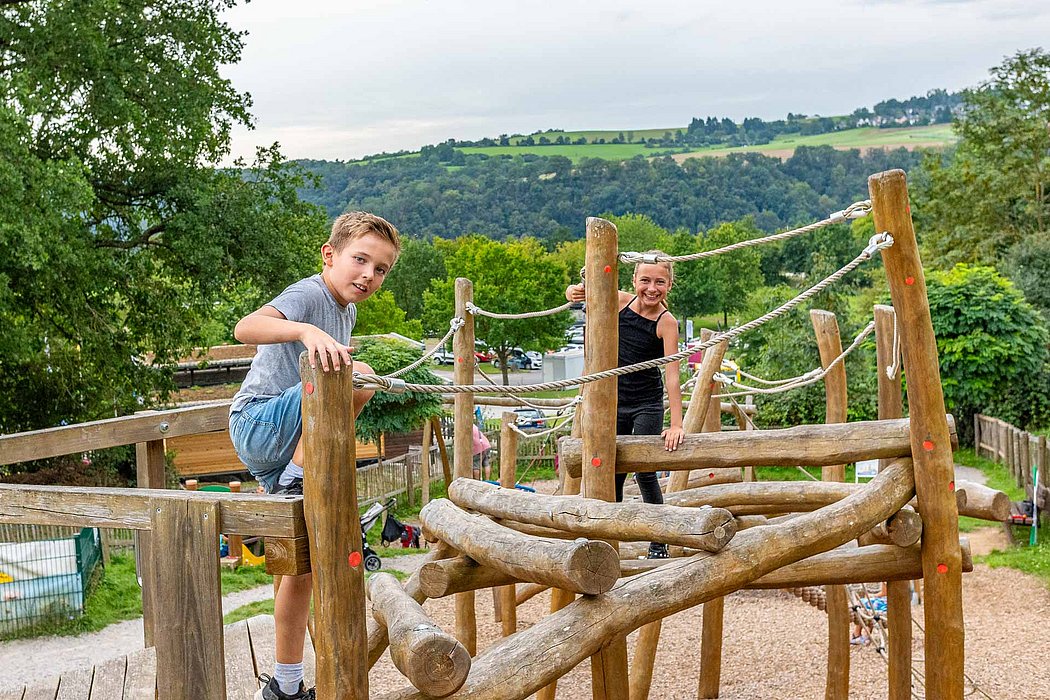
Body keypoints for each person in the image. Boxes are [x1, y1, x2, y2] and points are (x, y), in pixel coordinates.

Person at [228, 211, 400, 700]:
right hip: (259, 423)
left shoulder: (347, 310)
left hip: (281, 443)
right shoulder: (310, 294)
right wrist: (304, 331)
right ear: (330, 256)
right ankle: (307, 475)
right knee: (355, 371)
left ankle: (284, 685)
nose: (369, 275)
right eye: (360, 260)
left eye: (381, 269)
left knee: (300, 569)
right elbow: (245, 327)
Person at [565, 251, 684, 558]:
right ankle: (610, 537)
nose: (651, 288)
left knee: (644, 470)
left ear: (670, 285)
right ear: (634, 281)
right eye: (645, 280)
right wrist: (573, 292)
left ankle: (659, 541)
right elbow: (584, 293)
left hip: (646, 402)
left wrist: (676, 424)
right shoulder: (620, 301)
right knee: (612, 468)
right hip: (614, 400)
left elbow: (672, 376)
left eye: (660, 282)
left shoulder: (666, 323)